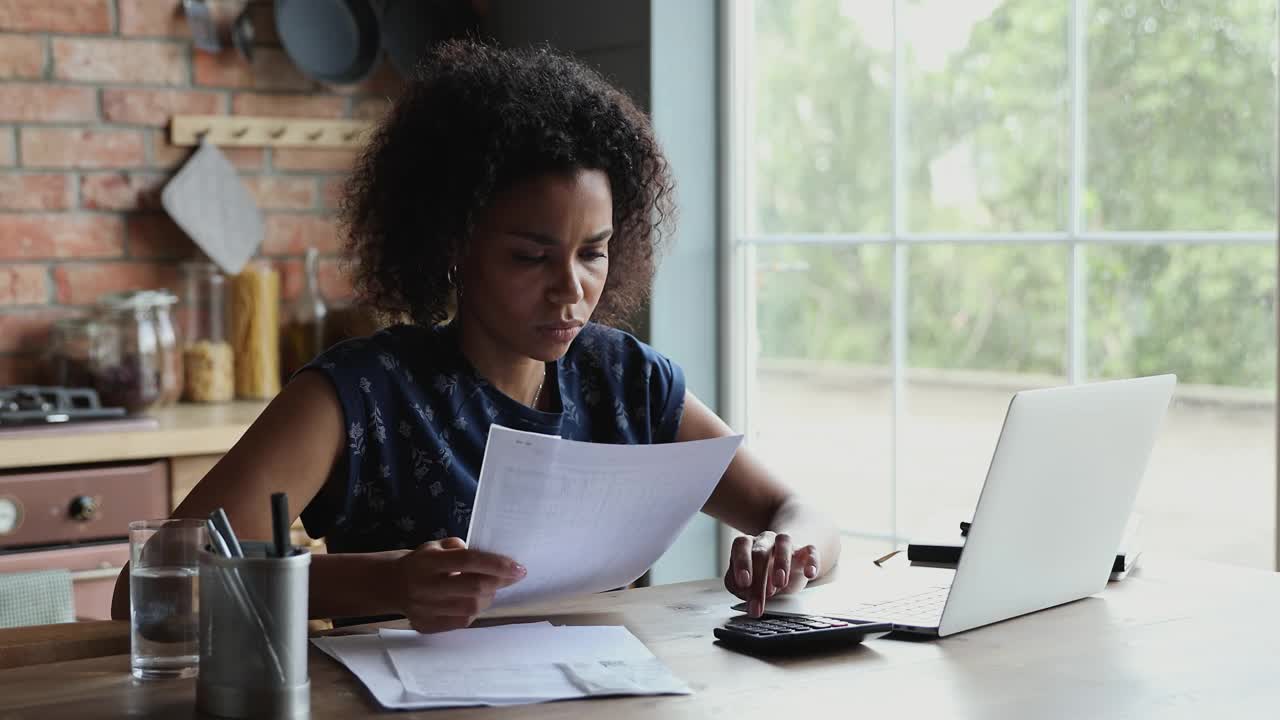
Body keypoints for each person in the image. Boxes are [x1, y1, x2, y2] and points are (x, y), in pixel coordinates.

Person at [111, 41, 841, 631]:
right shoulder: (360, 395)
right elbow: (152, 589)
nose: (572, 288)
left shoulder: (626, 382)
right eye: (530, 256)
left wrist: (791, 548)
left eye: (593, 251)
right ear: (453, 246)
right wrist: (387, 582)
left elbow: (800, 513)